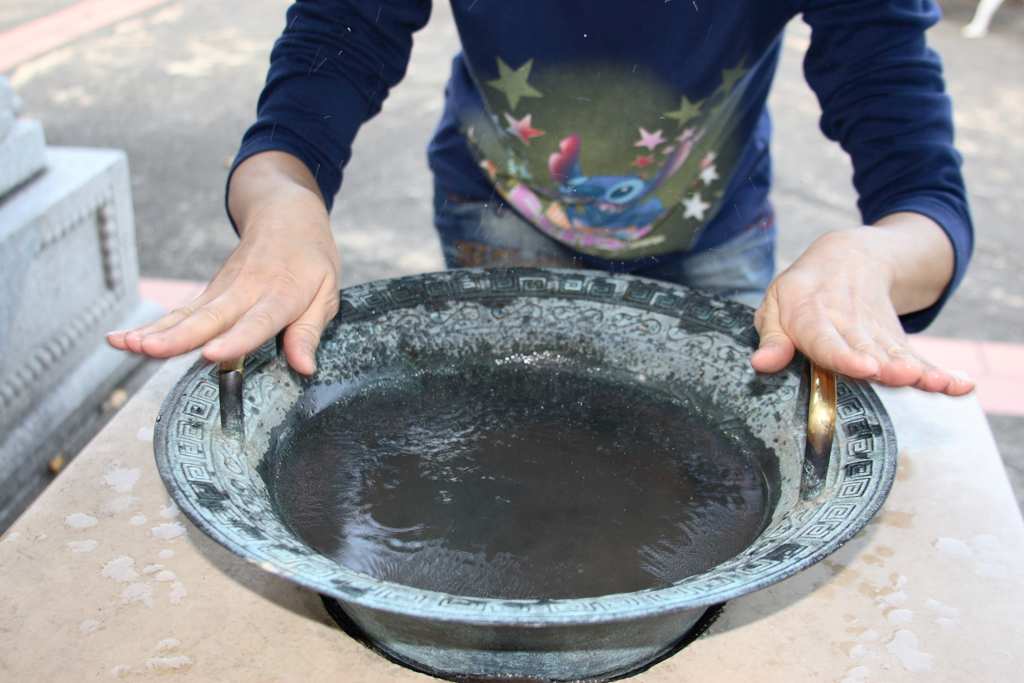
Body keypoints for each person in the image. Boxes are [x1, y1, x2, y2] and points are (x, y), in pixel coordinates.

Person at [108, 0, 974, 397]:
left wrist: (870, 257)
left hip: (716, 240)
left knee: (704, 464)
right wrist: (283, 210)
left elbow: (923, 195)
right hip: (497, 220)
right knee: (510, 444)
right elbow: (308, 100)